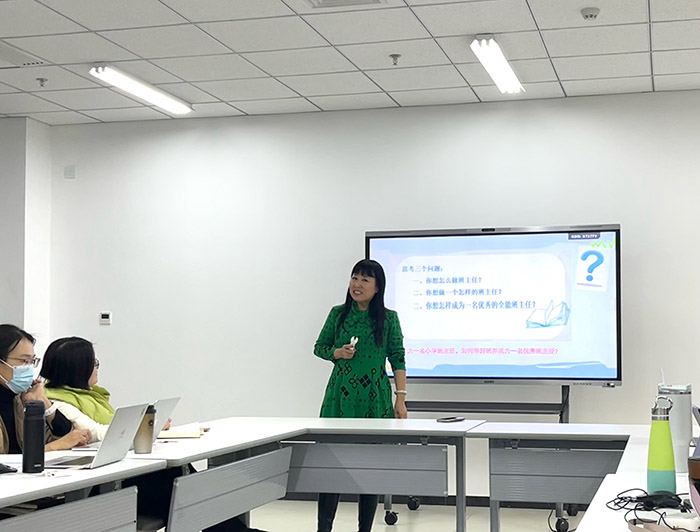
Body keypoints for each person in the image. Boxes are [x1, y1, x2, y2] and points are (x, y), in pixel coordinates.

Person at [40, 335, 265, 532]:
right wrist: (144, 426)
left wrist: (148, 427)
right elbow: (97, 433)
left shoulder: (93, 396)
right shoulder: (58, 401)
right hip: (98, 483)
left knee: (184, 477)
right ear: (77, 368)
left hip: (117, 470)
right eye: (93, 363)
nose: (97, 368)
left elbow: (117, 432)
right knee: (176, 483)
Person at [313, 259, 407, 532]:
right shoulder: (338, 314)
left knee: (370, 466)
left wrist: (400, 398)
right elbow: (319, 347)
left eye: (365, 279)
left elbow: (398, 358)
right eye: (354, 277)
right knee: (331, 464)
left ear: (377, 287)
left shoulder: (389, 319)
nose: (357, 284)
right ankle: (323, 528)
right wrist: (337, 352)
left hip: (374, 399)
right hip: (339, 398)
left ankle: (364, 528)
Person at [0, 324, 91, 454]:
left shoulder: (18, 399)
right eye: (24, 361)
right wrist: (55, 447)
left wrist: (44, 402)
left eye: (32, 361)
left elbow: (66, 437)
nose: (28, 368)